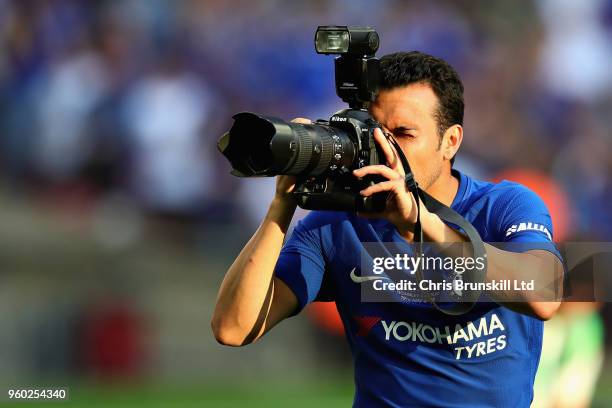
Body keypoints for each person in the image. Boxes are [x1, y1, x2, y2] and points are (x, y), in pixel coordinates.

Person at [211, 51, 564, 407]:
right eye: (375, 134)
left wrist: (420, 222)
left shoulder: (501, 207)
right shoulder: (337, 227)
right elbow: (233, 328)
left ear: (450, 141)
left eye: (403, 134)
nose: (386, 151)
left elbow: (543, 295)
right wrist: (282, 206)